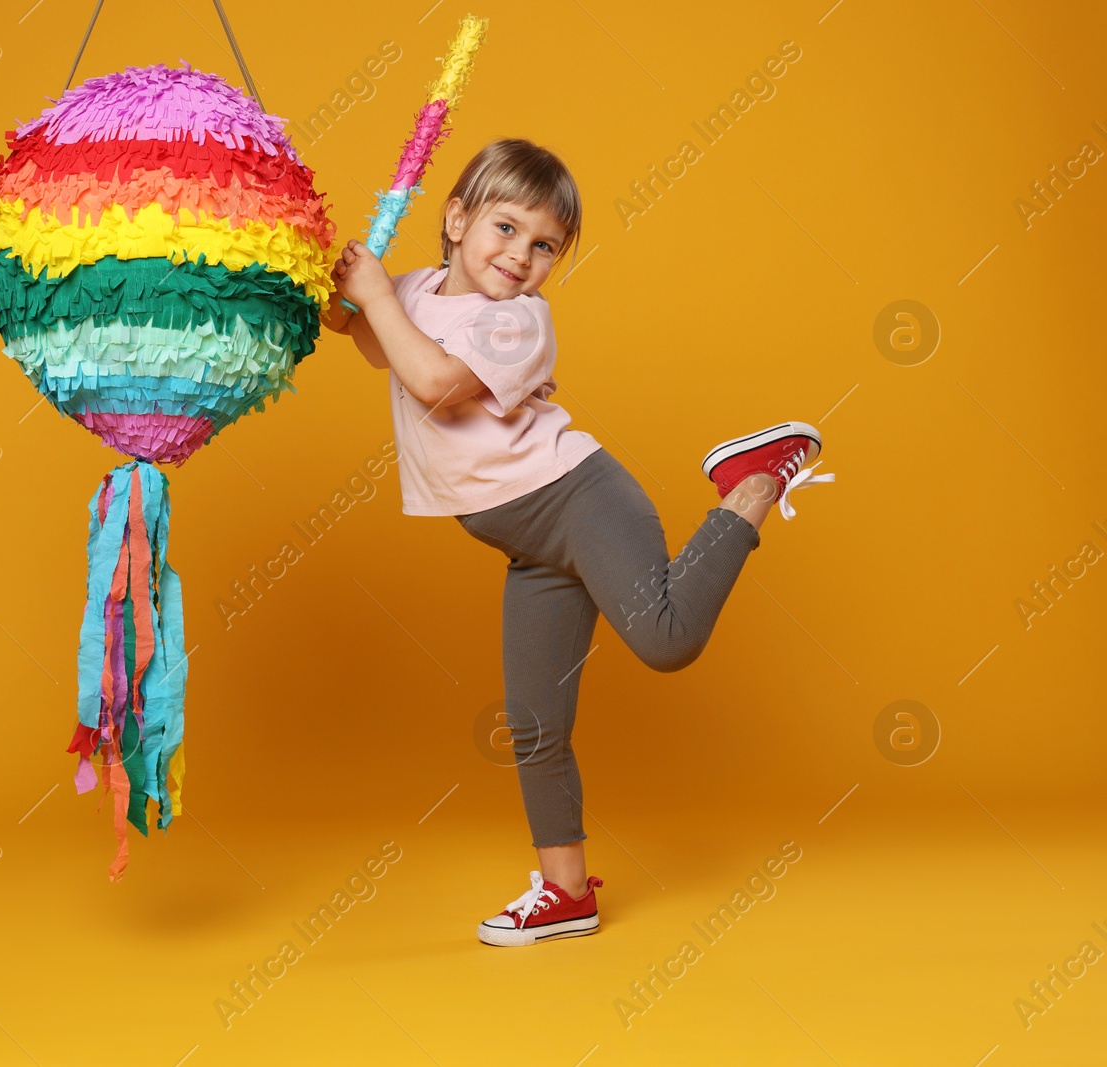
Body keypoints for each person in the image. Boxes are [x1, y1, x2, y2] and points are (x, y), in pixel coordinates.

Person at [320, 138, 834, 948]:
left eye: (545, 245)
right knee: (532, 723)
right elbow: (368, 337)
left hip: (579, 500)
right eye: (504, 228)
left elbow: (435, 385)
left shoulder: (518, 324)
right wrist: (349, 292)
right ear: (453, 221)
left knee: (667, 639)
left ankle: (756, 478)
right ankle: (567, 893)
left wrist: (376, 298)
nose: (521, 256)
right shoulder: (412, 292)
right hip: (529, 544)